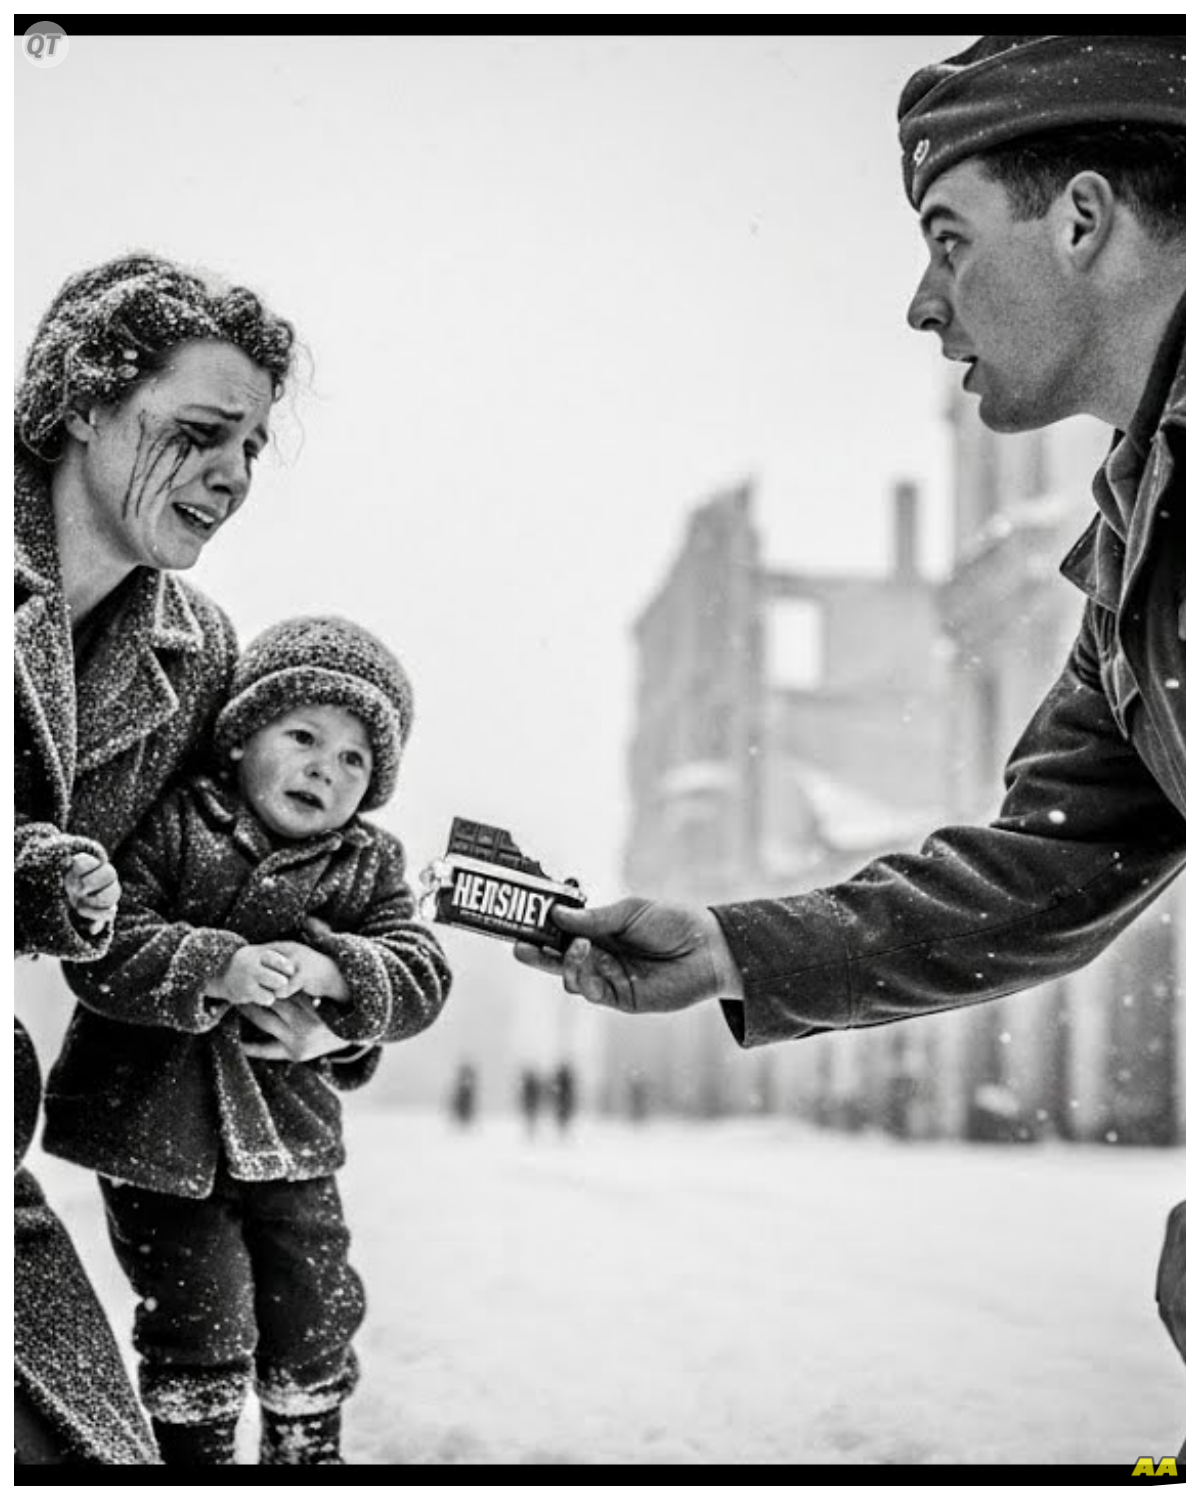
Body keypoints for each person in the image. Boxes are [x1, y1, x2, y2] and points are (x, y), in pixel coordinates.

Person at [516, 31, 1185, 1422]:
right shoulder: (1139, 546)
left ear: (1080, 220)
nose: (921, 305)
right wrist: (727, 947)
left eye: (947, 239)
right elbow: (1047, 857)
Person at [41, 615, 453, 1466]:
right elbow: (105, 946)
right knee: (202, 1313)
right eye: (302, 735)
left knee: (316, 1304)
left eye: (355, 759)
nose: (325, 769)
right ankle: (199, 1455)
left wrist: (337, 971)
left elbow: (421, 974)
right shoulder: (174, 823)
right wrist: (214, 967)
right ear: (237, 740)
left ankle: (307, 1448)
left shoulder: (367, 866)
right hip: (160, 1136)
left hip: (292, 1136)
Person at [14, 252, 303, 1464]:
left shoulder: (194, 657)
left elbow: (190, 892)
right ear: (82, 401)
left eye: (252, 448)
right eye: (199, 432)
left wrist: (310, 981)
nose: (232, 476)